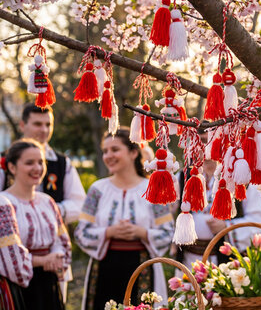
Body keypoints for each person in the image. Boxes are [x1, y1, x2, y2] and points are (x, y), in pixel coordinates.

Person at [75, 128, 174, 310]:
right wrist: (108, 232)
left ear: (133, 153)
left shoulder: (153, 189)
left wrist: (142, 233)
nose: (108, 155)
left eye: (114, 149)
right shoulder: (97, 190)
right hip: (104, 269)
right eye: (105, 151)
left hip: (142, 268)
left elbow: (168, 233)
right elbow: (81, 233)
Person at [175, 130, 261, 268]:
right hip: (189, 261)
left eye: (209, 140)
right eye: (200, 141)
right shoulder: (183, 178)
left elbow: (260, 219)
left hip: (226, 264)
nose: (204, 146)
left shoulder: (240, 176)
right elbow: (167, 216)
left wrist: (226, 227)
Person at [1, 139, 72, 310]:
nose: (37, 168)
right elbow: (10, 257)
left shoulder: (47, 202)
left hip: (49, 280)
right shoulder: (4, 203)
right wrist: (42, 260)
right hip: (19, 286)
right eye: (29, 163)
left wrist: (55, 256)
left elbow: (62, 242)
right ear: (12, 167)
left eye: (41, 162)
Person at [1, 104, 86, 224]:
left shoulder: (62, 162)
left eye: (48, 125)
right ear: (22, 125)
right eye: (37, 124)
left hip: (52, 234)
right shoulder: (4, 160)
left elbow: (79, 203)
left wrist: (48, 211)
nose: (44, 130)